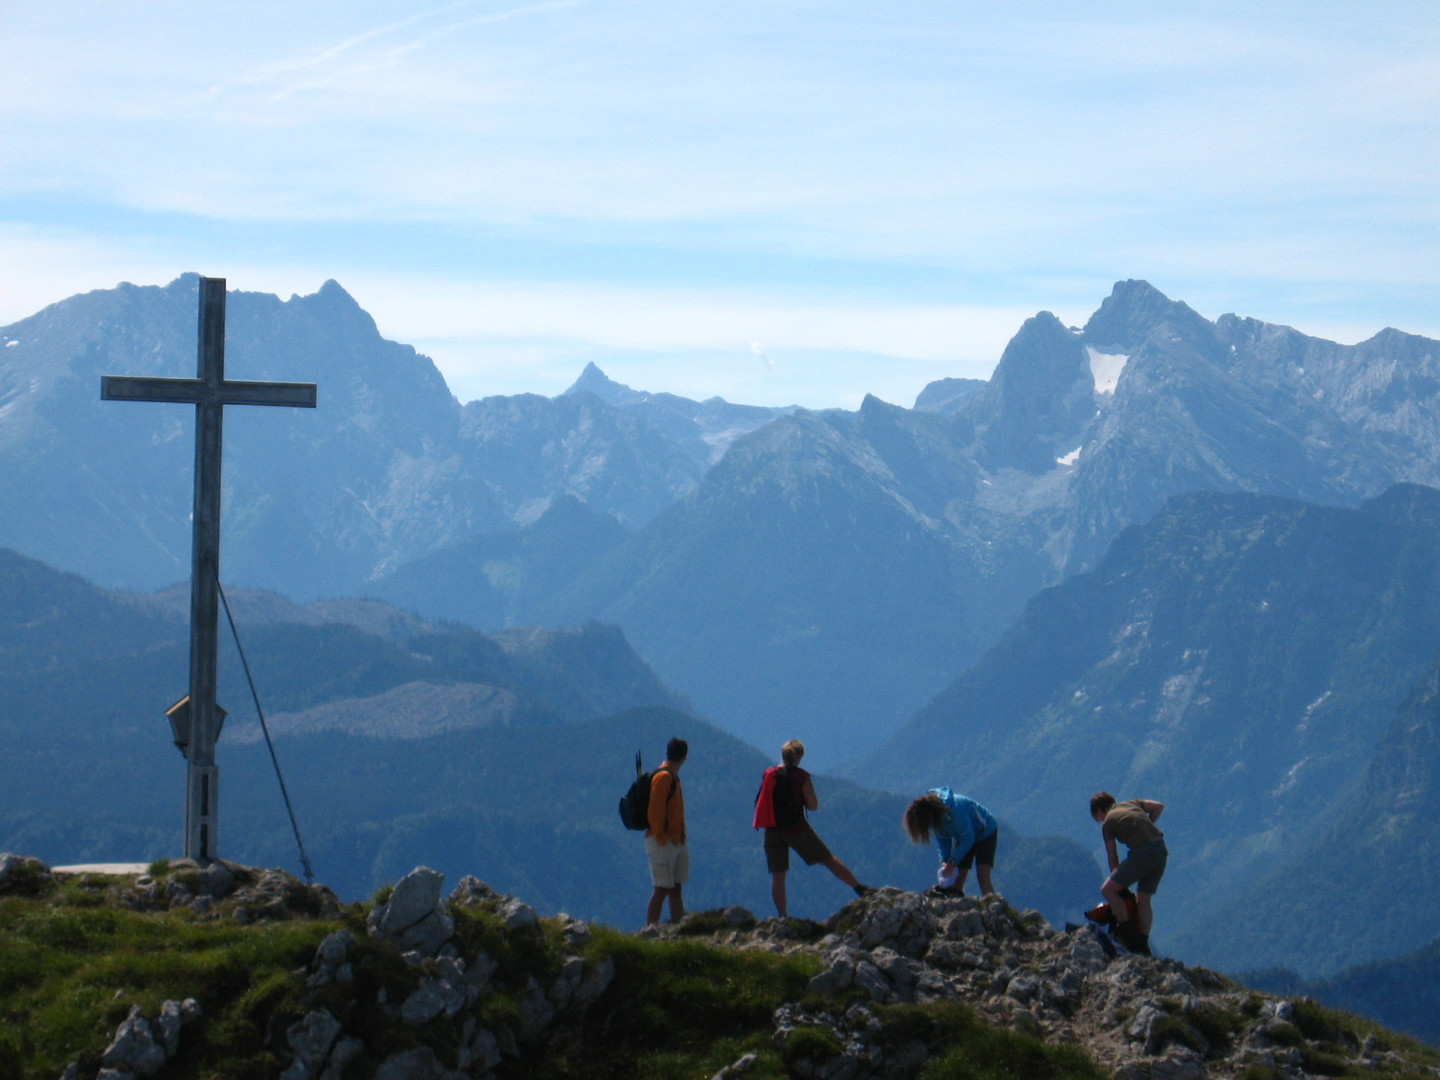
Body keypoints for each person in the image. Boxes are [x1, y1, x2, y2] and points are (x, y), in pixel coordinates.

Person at [754, 739, 871, 918]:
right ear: (800, 756)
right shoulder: (802, 777)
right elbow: (813, 805)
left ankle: (782, 916)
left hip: (772, 830)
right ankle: (860, 888)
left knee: (778, 875)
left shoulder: (769, 774)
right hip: (797, 829)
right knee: (828, 860)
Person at [1089, 791, 1167, 956]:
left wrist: (1118, 884)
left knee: (1107, 890)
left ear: (1099, 811)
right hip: (1160, 850)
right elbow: (1158, 806)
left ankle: (1130, 937)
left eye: (1098, 818)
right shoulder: (1132, 803)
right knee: (1144, 898)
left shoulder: (1108, 823)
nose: (1100, 821)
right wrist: (1147, 825)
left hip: (1143, 854)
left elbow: (1112, 855)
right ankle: (1143, 943)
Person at [903, 788, 998, 896]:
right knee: (957, 878)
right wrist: (945, 861)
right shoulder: (936, 820)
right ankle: (957, 901)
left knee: (983, 875)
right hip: (963, 836)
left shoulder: (956, 810)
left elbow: (968, 839)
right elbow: (943, 842)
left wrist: (953, 861)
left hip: (985, 832)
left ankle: (992, 904)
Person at [645, 737, 689, 926]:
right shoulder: (664, 777)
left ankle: (679, 926)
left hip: (675, 840)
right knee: (662, 888)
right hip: (662, 840)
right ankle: (650, 928)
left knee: (675, 887)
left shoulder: (672, 776)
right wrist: (662, 836)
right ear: (684, 757)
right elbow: (654, 811)